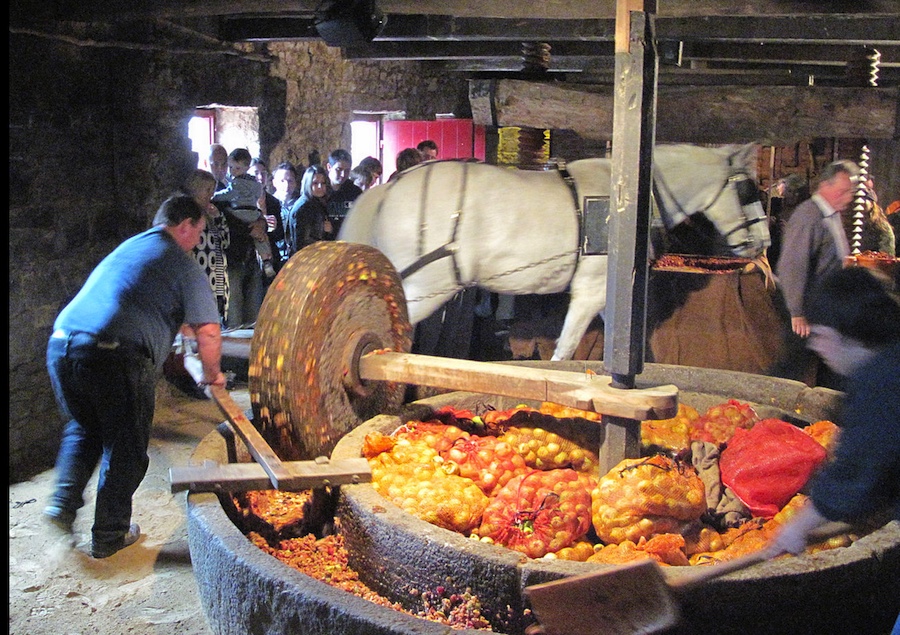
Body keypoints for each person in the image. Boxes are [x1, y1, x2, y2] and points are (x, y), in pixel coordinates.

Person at [43, 194, 226, 558]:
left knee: (85, 427)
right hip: (113, 354)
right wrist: (213, 376)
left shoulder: (133, 249)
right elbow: (207, 331)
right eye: (198, 232)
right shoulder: (180, 262)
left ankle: (61, 506)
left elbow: (148, 306)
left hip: (63, 344)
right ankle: (110, 534)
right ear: (185, 225)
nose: (197, 241)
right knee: (126, 446)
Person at [770, 266, 900, 556]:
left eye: (819, 334)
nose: (815, 345)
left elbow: (857, 469)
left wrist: (798, 526)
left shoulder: (881, 383)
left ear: (843, 332)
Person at [775, 160, 859, 387]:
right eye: (842, 192)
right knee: (793, 369)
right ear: (825, 186)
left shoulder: (830, 215)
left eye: (849, 192)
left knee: (822, 369)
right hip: (807, 312)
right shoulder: (808, 216)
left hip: (824, 310)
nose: (848, 198)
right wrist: (797, 312)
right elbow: (793, 265)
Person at [212, 148, 277, 279]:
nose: (230, 171)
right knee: (260, 238)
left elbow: (228, 197)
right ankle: (266, 260)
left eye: (225, 165)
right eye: (231, 167)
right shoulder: (253, 182)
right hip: (233, 255)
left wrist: (213, 197)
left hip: (247, 252)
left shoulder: (235, 183)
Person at [183, 169, 230, 323]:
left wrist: (218, 218)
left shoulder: (210, 214)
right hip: (200, 279)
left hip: (216, 280)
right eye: (207, 190)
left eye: (213, 190)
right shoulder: (186, 214)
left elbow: (225, 242)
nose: (211, 194)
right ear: (196, 189)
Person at [285, 164, 331, 257]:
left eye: (323, 183)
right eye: (315, 183)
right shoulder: (304, 207)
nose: (319, 187)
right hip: (308, 260)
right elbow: (301, 244)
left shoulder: (317, 203)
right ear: (308, 183)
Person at [325, 148, 363, 238]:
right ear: (329, 167)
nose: (343, 174)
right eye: (339, 169)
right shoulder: (321, 191)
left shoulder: (355, 193)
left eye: (347, 171)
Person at [271, 161, 301, 263]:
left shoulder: (302, 205)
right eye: (282, 181)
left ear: (296, 183)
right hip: (275, 256)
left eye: (290, 181)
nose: (286, 185)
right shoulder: (268, 204)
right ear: (274, 182)